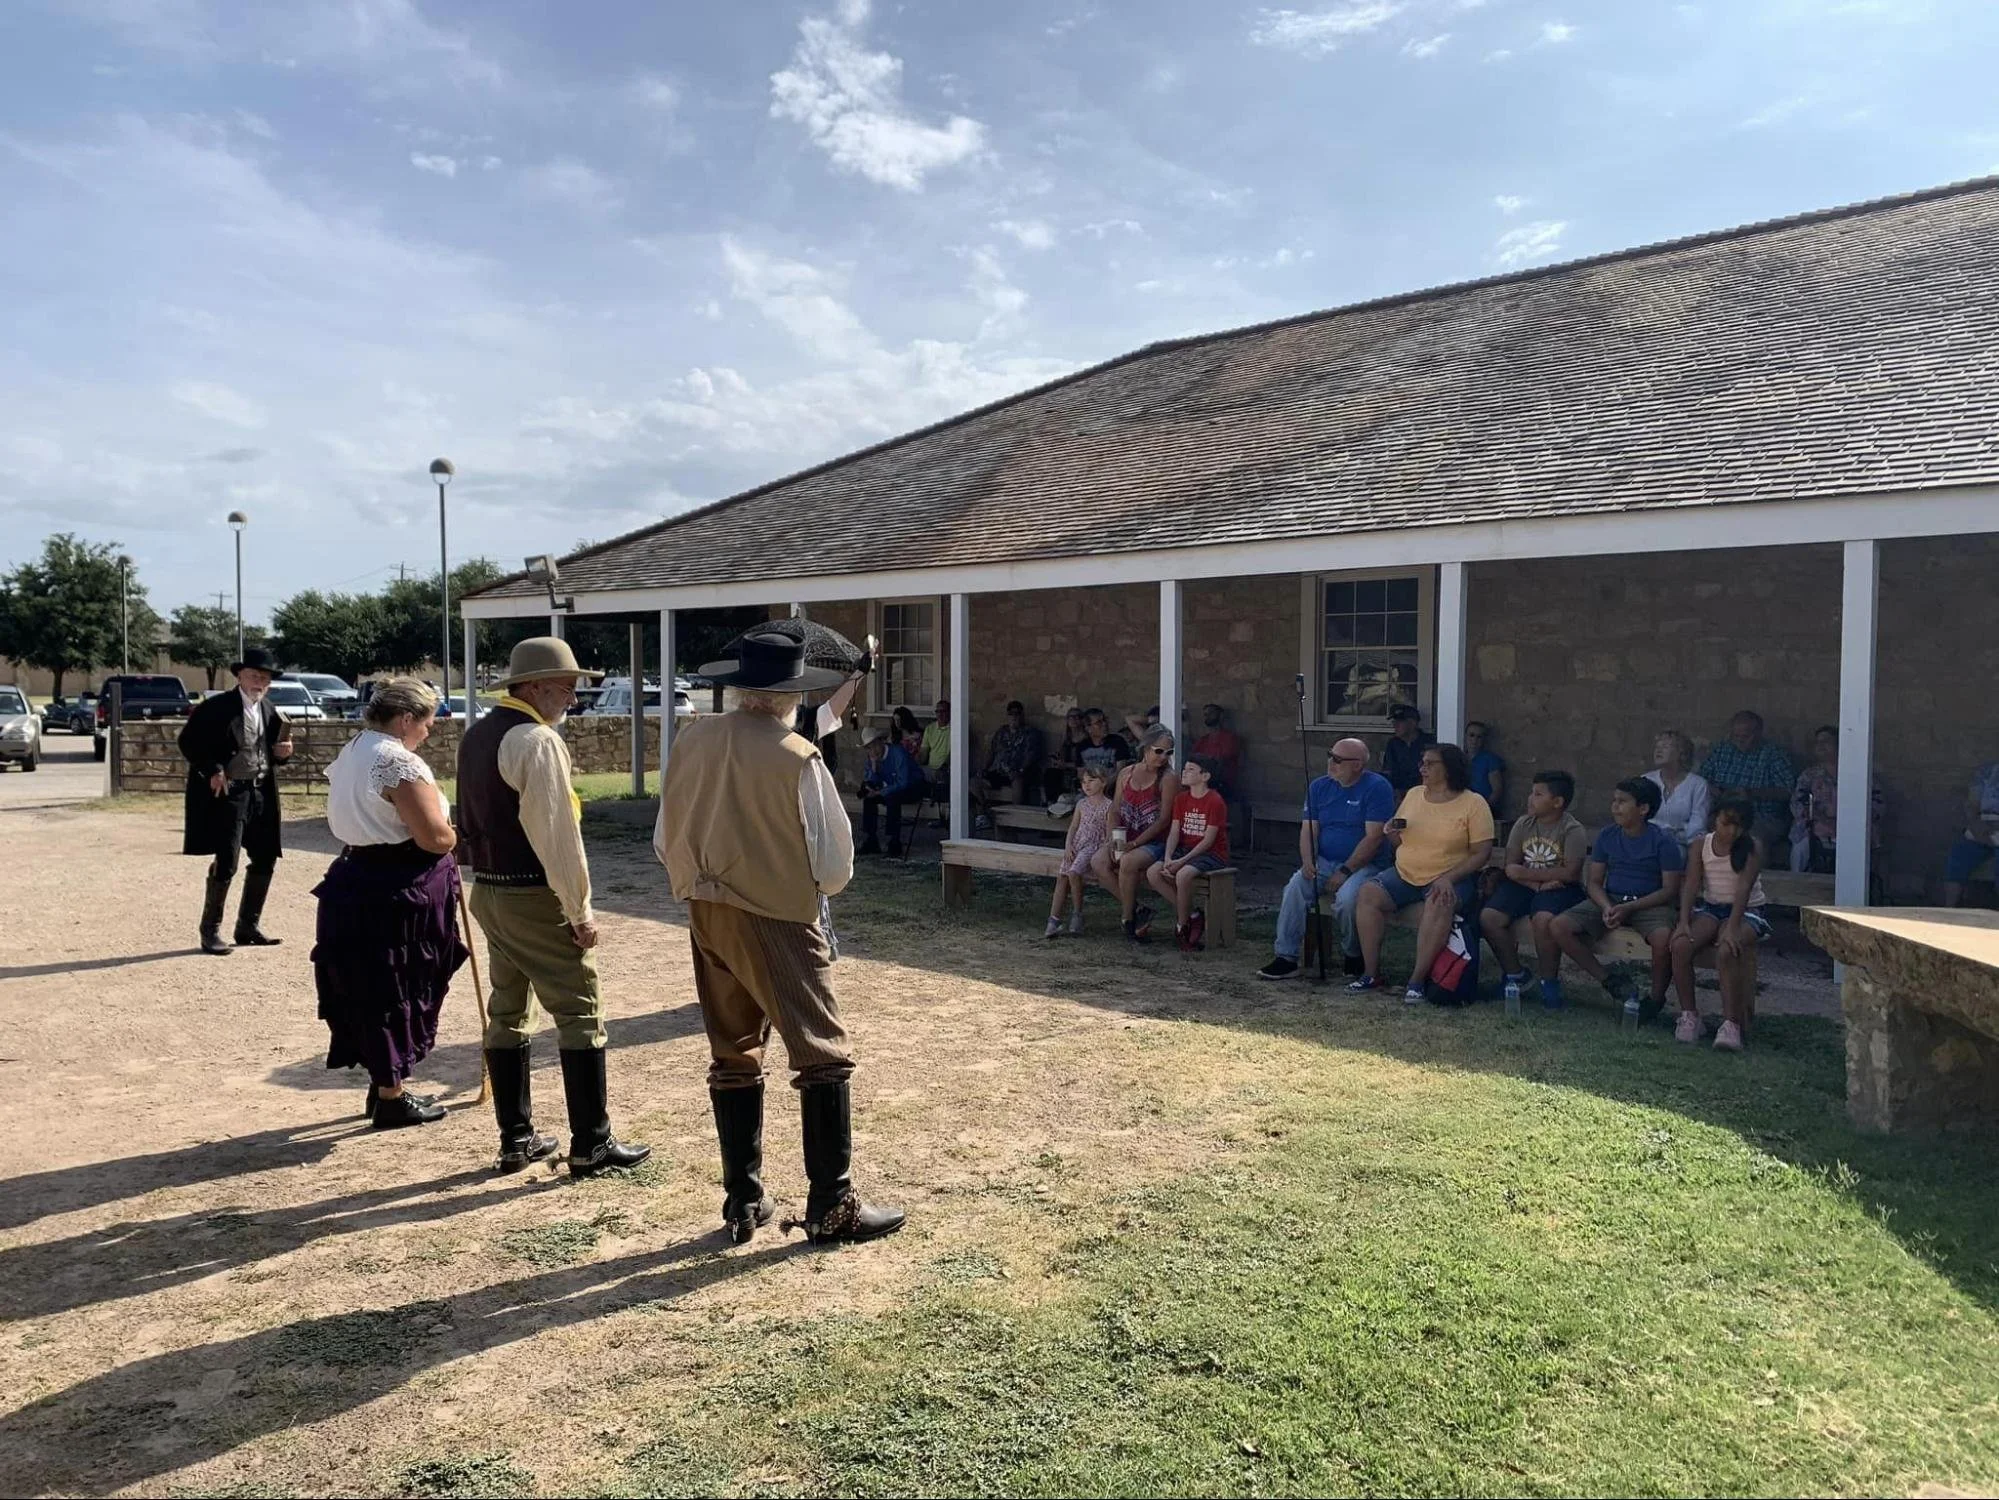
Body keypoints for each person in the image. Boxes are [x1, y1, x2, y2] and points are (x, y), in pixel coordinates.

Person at [657, 631, 904, 1246]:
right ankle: (833, 1204)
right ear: (791, 696)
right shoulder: (797, 756)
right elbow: (834, 866)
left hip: (705, 908)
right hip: (775, 912)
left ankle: (743, 1199)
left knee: (734, 1051)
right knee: (823, 1052)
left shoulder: (692, 739)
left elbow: (665, 836)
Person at [460, 638, 651, 1178]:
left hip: (490, 889)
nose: (573, 698)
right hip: (532, 893)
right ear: (534, 686)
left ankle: (515, 1138)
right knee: (580, 1010)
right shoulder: (536, 741)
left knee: (508, 1010)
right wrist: (579, 909)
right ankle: (591, 1142)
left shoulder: (477, 735)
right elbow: (558, 835)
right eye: (565, 688)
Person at [312, 678, 465, 1130]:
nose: (429, 731)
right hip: (394, 886)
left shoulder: (355, 748)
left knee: (368, 985)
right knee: (395, 985)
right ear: (405, 719)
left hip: (355, 876)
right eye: (427, 722)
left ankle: (385, 1081)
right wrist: (455, 836)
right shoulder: (396, 761)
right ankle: (391, 1096)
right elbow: (432, 836)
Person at [1351, 742, 1495, 1003]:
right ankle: (1371, 973)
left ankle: (1417, 980)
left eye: (1430, 763)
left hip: (1451, 876)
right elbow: (1401, 841)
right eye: (1422, 763)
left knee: (1439, 900)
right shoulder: (1414, 794)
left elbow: (1481, 853)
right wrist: (1391, 834)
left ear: (1449, 768)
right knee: (1368, 893)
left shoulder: (1473, 803)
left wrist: (1448, 878)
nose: (1422, 768)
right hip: (1406, 873)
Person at [177, 645, 296, 955]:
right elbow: (188, 742)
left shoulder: (268, 709)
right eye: (255, 676)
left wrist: (284, 753)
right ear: (240, 675)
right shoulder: (215, 708)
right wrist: (212, 769)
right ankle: (210, 931)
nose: (260, 683)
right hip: (231, 793)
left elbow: (273, 751)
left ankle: (247, 926)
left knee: (265, 856)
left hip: (261, 790)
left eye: (265, 679)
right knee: (227, 860)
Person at [1257, 738, 1395, 981]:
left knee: (1348, 899)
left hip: (1365, 865)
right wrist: (1307, 860)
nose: (1331, 762)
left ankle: (1354, 954)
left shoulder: (1377, 787)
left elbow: (1374, 838)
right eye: (1330, 755)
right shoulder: (1319, 786)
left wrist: (1345, 871)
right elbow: (1308, 829)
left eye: (1338, 759)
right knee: (1294, 888)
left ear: (1357, 765)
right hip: (1324, 860)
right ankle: (1286, 957)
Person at [1546, 778, 1686, 1013]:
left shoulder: (1663, 841)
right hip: (1611, 899)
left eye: (1623, 802)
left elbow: (1669, 890)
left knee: (1663, 940)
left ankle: (1655, 999)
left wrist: (1630, 908)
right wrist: (1607, 906)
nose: (1615, 807)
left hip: (1650, 904)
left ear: (1643, 808)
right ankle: (1609, 980)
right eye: (1614, 800)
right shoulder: (1607, 836)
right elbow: (1594, 882)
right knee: (1559, 926)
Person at [1479, 770, 1588, 1011]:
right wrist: (1537, 884)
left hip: (1562, 889)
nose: (1530, 798)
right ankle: (1515, 974)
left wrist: (1527, 875)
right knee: (1489, 917)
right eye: (1532, 792)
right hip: (1528, 885)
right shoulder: (1523, 823)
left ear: (1557, 802)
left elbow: (1570, 873)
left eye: (1538, 794)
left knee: (1543, 920)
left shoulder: (1572, 830)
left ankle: (1549, 983)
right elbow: (1511, 867)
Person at [1671, 797, 1770, 1052]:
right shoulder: (1701, 845)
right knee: (1680, 946)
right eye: (1726, 824)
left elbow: (1744, 888)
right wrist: (1684, 921)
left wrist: (1733, 928)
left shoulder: (1752, 847)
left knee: (1727, 950)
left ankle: (1731, 1023)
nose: (1732, 832)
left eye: (1738, 826)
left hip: (1746, 910)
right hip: (1711, 907)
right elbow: (1691, 884)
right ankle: (1690, 1015)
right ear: (1714, 820)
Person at [1091, 724, 1179, 943]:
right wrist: (1112, 838)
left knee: (1128, 862)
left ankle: (1127, 919)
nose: (1164, 757)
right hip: (1126, 833)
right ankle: (1138, 909)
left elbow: (1164, 820)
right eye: (1159, 751)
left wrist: (1134, 843)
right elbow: (1115, 809)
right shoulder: (1126, 773)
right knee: (1098, 861)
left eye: (1169, 752)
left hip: (1155, 840)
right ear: (1146, 748)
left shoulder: (1168, 778)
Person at [1147, 754, 1232, 952]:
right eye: (1184, 769)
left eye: (1191, 770)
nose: (1184, 773)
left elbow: (1209, 840)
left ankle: (1182, 926)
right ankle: (1193, 914)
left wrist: (1182, 861)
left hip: (1211, 853)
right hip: (1185, 849)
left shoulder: (1215, 801)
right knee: (1153, 872)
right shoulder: (1181, 799)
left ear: (1205, 776)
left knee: (1183, 875)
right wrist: (1168, 857)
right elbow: (1175, 831)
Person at [1788, 725, 1883, 874]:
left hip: (1854, 828)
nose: (1821, 746)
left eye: (1826, 741)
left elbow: (1877, 803)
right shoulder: (1809, 775)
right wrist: (1822, 820)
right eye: (1817, 742)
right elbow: (1797, 802)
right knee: (1801, 847)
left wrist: (1848, 823)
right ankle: (1798, 884)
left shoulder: (1860, 773)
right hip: (1814, 827)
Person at [1698, 711, 1795, 850]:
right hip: (1721, 812)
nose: (1739, 740)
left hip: (1760, 816)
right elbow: (1700, 780)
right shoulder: (1721, 750)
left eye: (1745, 736)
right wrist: (1714, 790)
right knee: (1698, 833)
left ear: (1758, 733)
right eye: (1735, 736)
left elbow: (1789, 791)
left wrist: (1751, 793)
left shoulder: (1774, 755)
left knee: (1748, 841)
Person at [1046, 763, 1113, 938]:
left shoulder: (1109, 806)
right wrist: (1068, 845)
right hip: (1077, 845)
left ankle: (1077, 913)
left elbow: (1109, 833)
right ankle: (1054, 919)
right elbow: (1074, 827)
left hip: (1093, 846)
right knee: (1062, 876)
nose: (1087, 785)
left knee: (1074, 872)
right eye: (1084, 782)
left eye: (1091, 781)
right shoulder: (1081, 804)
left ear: (1103, 782)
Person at [857, 725, 924, 857]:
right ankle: (871, 840)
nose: (873, 750)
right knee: (869, 799)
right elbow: (871, 781)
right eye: (869, 748)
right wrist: (874, 769)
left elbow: (903, 782)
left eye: (875, 745)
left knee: (893, 798)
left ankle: (894, 842)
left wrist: (880, 792)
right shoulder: (872, 759)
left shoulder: (897, 753)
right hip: (890, 788)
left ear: (882, 742)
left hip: (914, 787)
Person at [1941, 758, 1999, 906]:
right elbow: (1972, 805)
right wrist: (1977, 825)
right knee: (1958, 854)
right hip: (1983, 828)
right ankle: (1950, 909)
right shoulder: (1987, 772)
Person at [1643, 729, 1711, 848]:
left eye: (1665, 746)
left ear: (1681, 753)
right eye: (1657, 747)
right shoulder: (1645, 780)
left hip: (1680, 845)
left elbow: (1697, 827)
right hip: (1646, 843)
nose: (1658, 750)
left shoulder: (1698, 785)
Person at [979, 699, 1045, 806]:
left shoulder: (1030, 733)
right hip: (1000, 771)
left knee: (1017, 780)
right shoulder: (1001, 732)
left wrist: (1020, 770)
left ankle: (1015, 811)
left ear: (1022, 716)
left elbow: (1031, 756)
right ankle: (984, 809)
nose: (1014, 717)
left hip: (1020, 772)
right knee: (973, 782)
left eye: (1017, 713)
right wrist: (984, 768)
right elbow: (991, 751)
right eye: (1011, 714)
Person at [1380, 705, 1435, 798]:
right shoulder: (1393, 744)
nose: (1395, 725)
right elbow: (1389, 770)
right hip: (1399, 794)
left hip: (1425, 792)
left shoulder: (1429, 742)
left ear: (1412, 723)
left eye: (1399, 722)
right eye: (1394, 722)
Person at [1192, 704, 1243, 799]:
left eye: (1211, 713)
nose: (1208, 716)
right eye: (1205, 714)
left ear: (1221, 715)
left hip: (1223, 785)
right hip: (1204, 783)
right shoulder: (1203, 740)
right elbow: (1194, 759)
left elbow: (1222, 761)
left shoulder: (1229, 738)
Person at [1072, 709, 1130, 790]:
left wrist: (1103, 787)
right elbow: (1081, 774)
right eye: (1099, 722)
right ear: (1088, 728)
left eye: (1105, 720)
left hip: (1114, 789)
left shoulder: (1117, 741)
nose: (1104, 724)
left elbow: (1121, 771)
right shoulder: (1082, 747)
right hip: (1091, 790)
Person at [1043, 707, 1090, 805]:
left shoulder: (1087, 739)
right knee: (1050, 773)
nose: (1074, 719)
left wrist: (1066, 765)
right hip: (1065, 768)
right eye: (1071, 717)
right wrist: (1056, 759)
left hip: (1080, 769)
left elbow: (1085, 763)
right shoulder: (1066, 738)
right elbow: (1061, 754)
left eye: (1077, 716)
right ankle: (1052, 803)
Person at [1465, 721, 1506, 814]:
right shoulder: (1460, 758)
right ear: (1466, 736)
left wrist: (1483, 808)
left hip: (1484, 809)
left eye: (1479, 737)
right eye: (1471, 735)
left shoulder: (1490, 760)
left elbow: (1497, 790)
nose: (1474, 740)